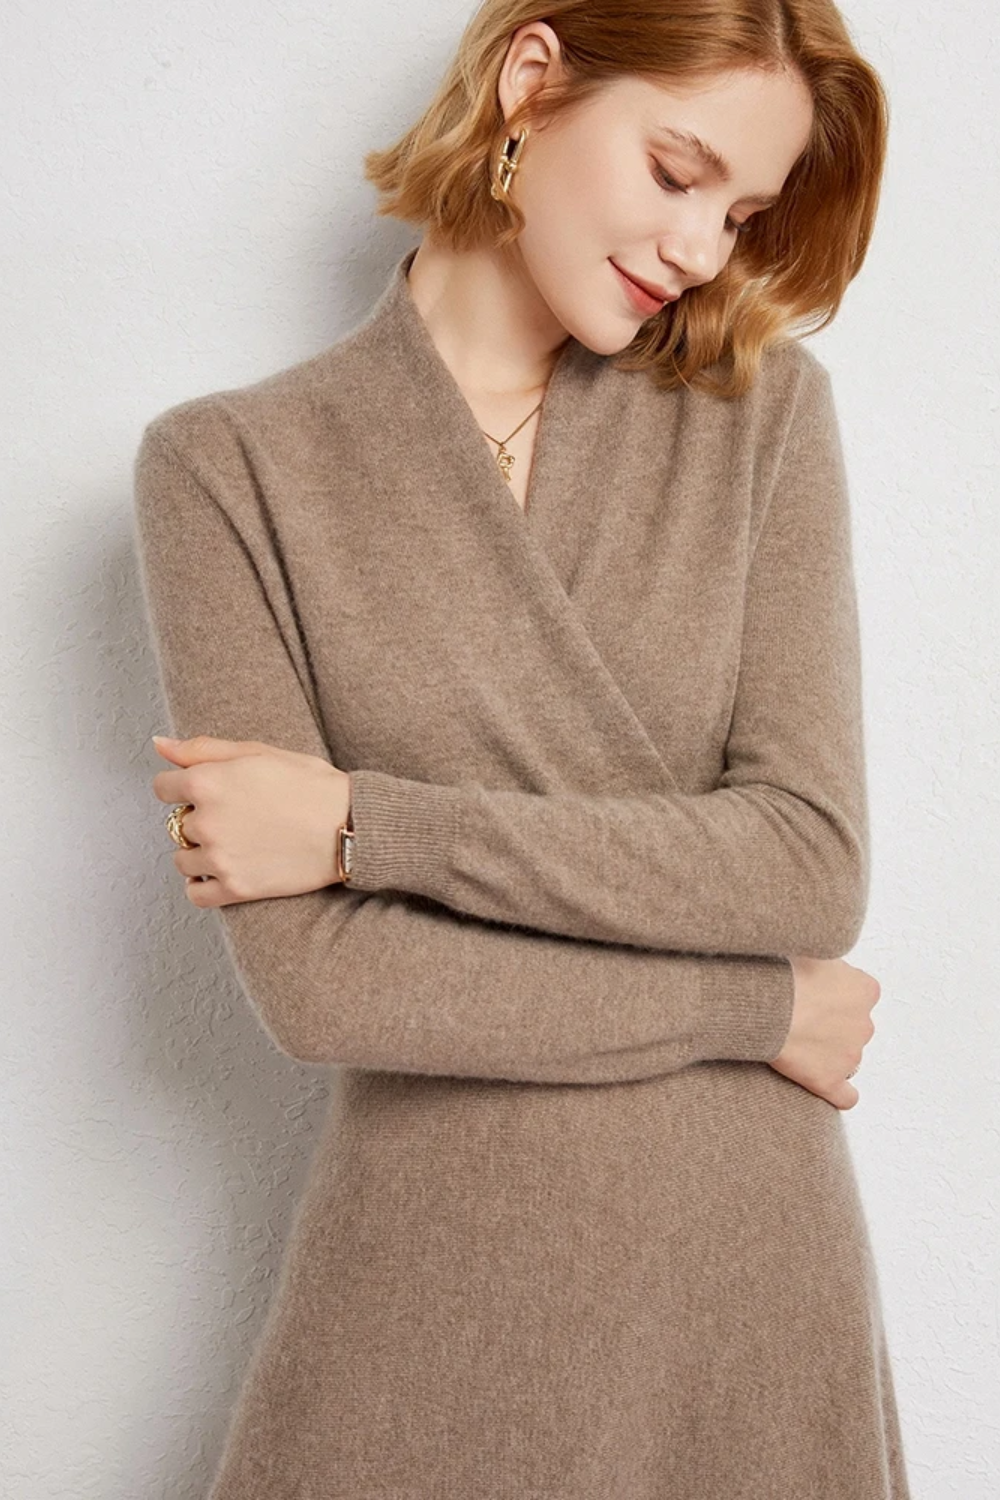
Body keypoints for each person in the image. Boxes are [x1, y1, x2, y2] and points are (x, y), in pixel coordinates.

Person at [133, 2, 911, 1494]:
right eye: (676, 171)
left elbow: (807, 868)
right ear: (532, 81)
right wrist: (753, 1012)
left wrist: (369, 825)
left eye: (740, 212)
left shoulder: (761, 419)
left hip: (739, 1280)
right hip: (435, 1273)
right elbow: (324, 985)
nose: (701, 247)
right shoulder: (231, 468)